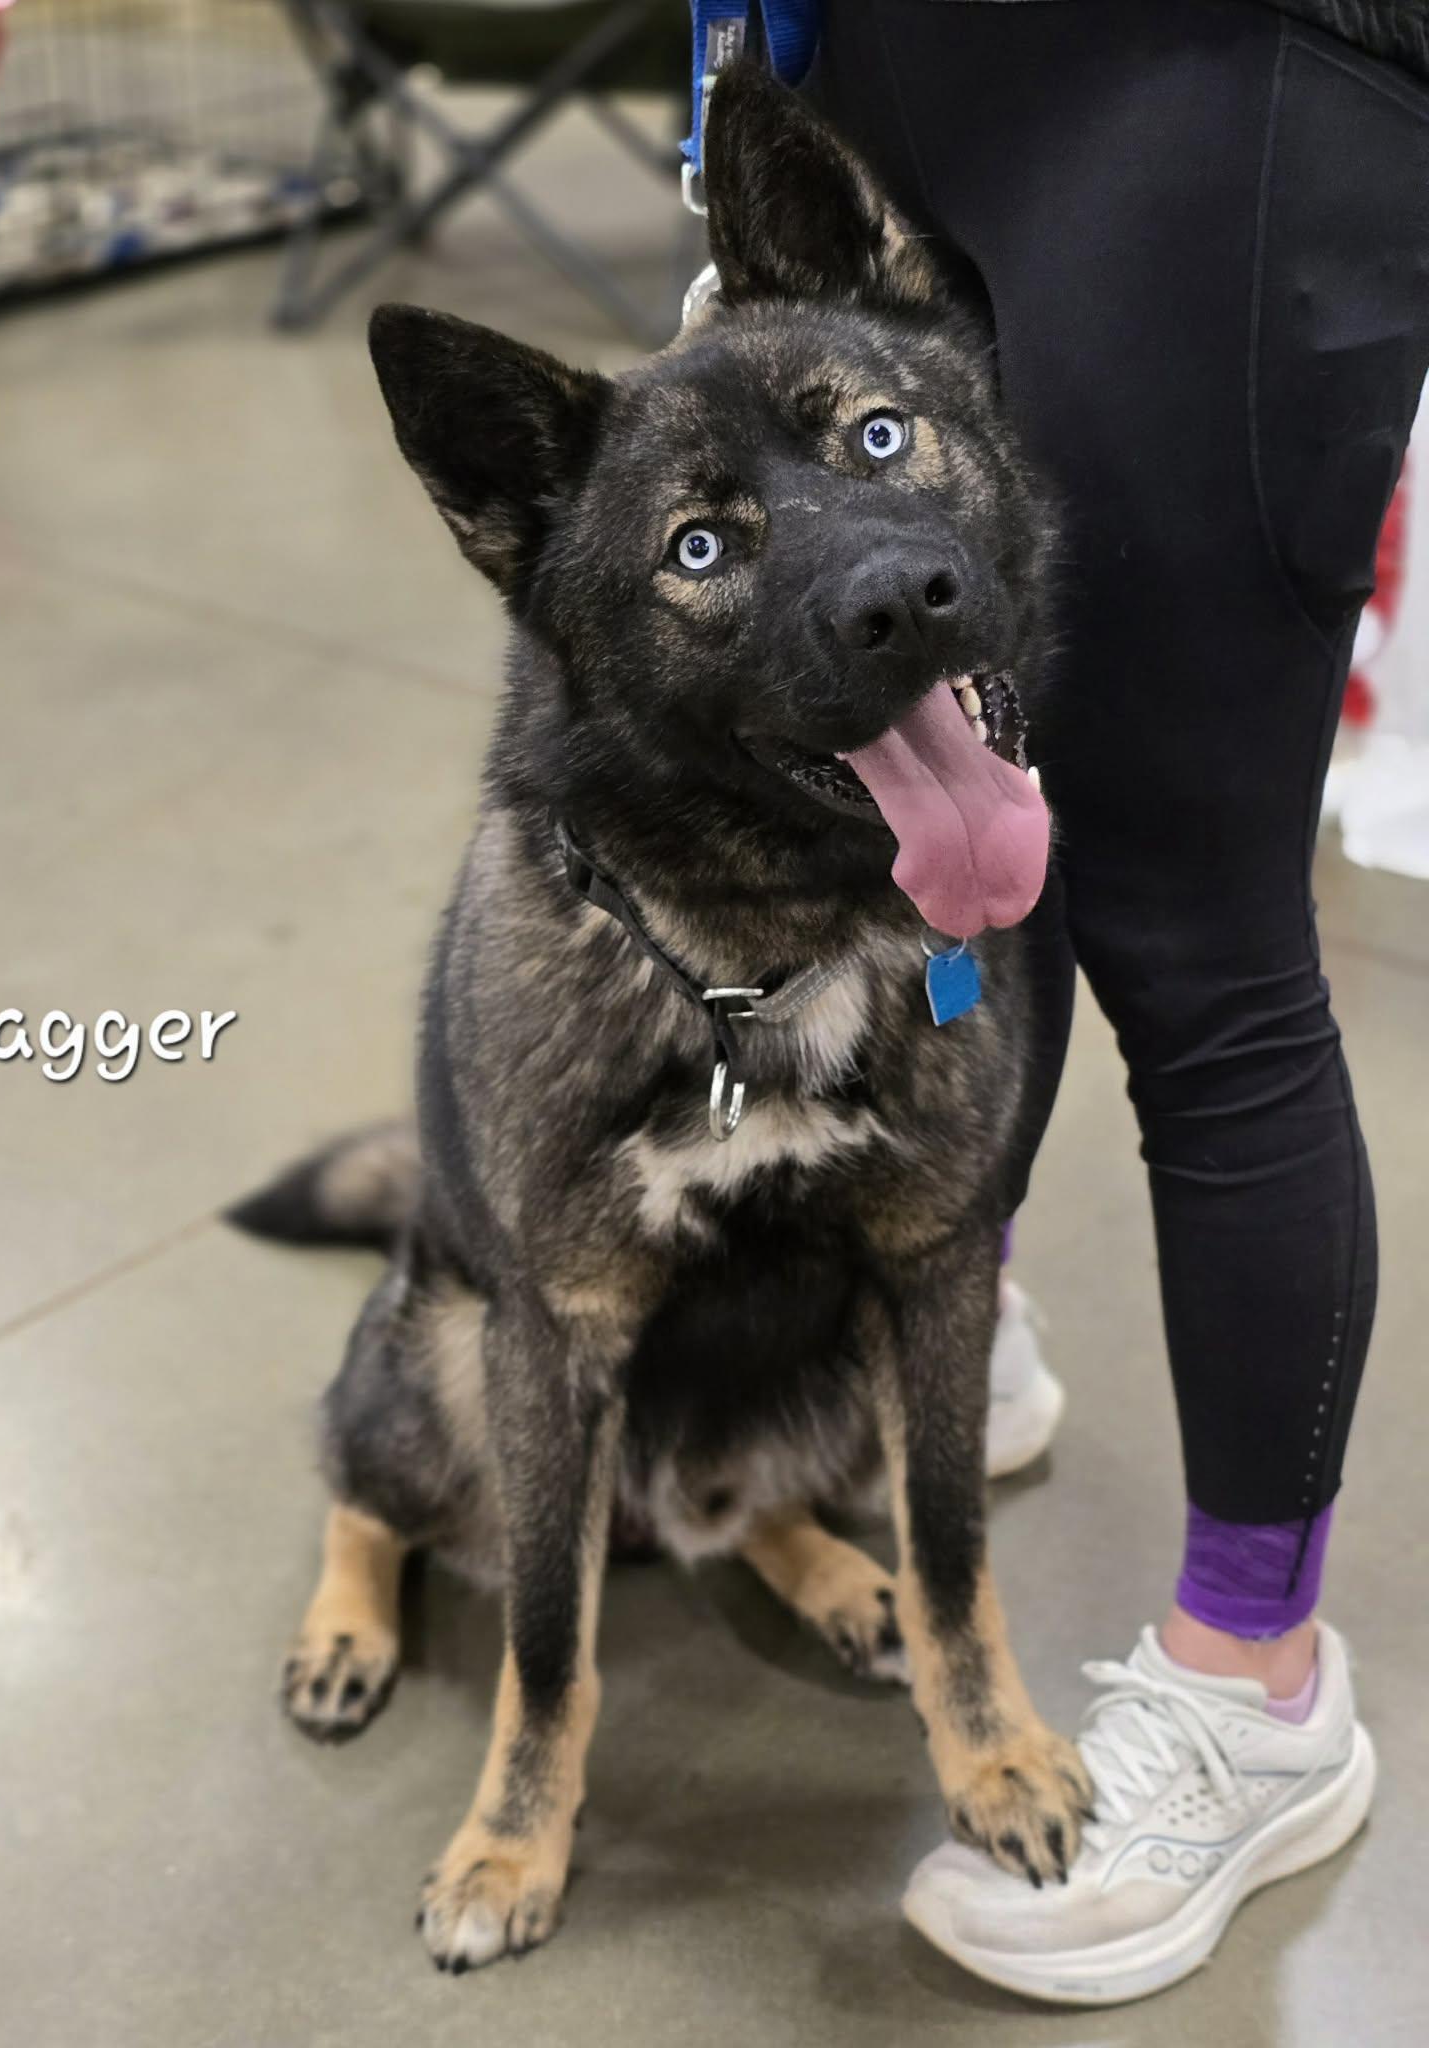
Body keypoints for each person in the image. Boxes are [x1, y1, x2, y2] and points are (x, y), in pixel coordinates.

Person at [806, 0, 1429, 2004]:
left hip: (1204, 63)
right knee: (953, 823)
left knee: (1191, 912)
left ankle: (1262, 1684)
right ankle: (957, 1345)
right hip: (872, 57)